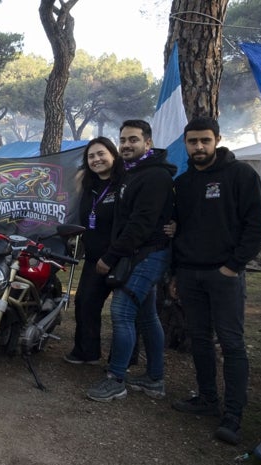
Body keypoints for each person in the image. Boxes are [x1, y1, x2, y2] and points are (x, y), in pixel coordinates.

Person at [170, 117, 261, 446]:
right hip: (189, 273)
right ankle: (208, 399)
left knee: (232, 343)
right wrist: (175, 272)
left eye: (204, 141)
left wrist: (232, 266)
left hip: (225, 275)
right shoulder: (182, 184)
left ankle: (234, 414)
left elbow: (256, 227)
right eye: (192, 141)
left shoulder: (241, 176)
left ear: (217, 140)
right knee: (199, 339)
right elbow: (179, 229)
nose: (198, 147)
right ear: (186, 144)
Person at [87, 119, 175, 403]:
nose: (126, 144)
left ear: (147, 143)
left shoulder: (155, 176)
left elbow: (141, 224)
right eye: (123, 139)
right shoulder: (132, 173)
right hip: (139, 252)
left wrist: (111, 255)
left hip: (148, 253)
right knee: (147, 316)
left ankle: (116, 379)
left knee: (122, 313)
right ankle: (154, 378)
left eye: (133, 140)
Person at [64, 137, 124, 366]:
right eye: (91, 156)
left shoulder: (125, 183)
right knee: (85, 303)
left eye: (101, 154)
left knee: (123, 314)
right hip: (93, 258)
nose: (96, 159)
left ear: (113, 155)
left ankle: (121, 361)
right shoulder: (88, 186)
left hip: (121, 256)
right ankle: (86, 352)